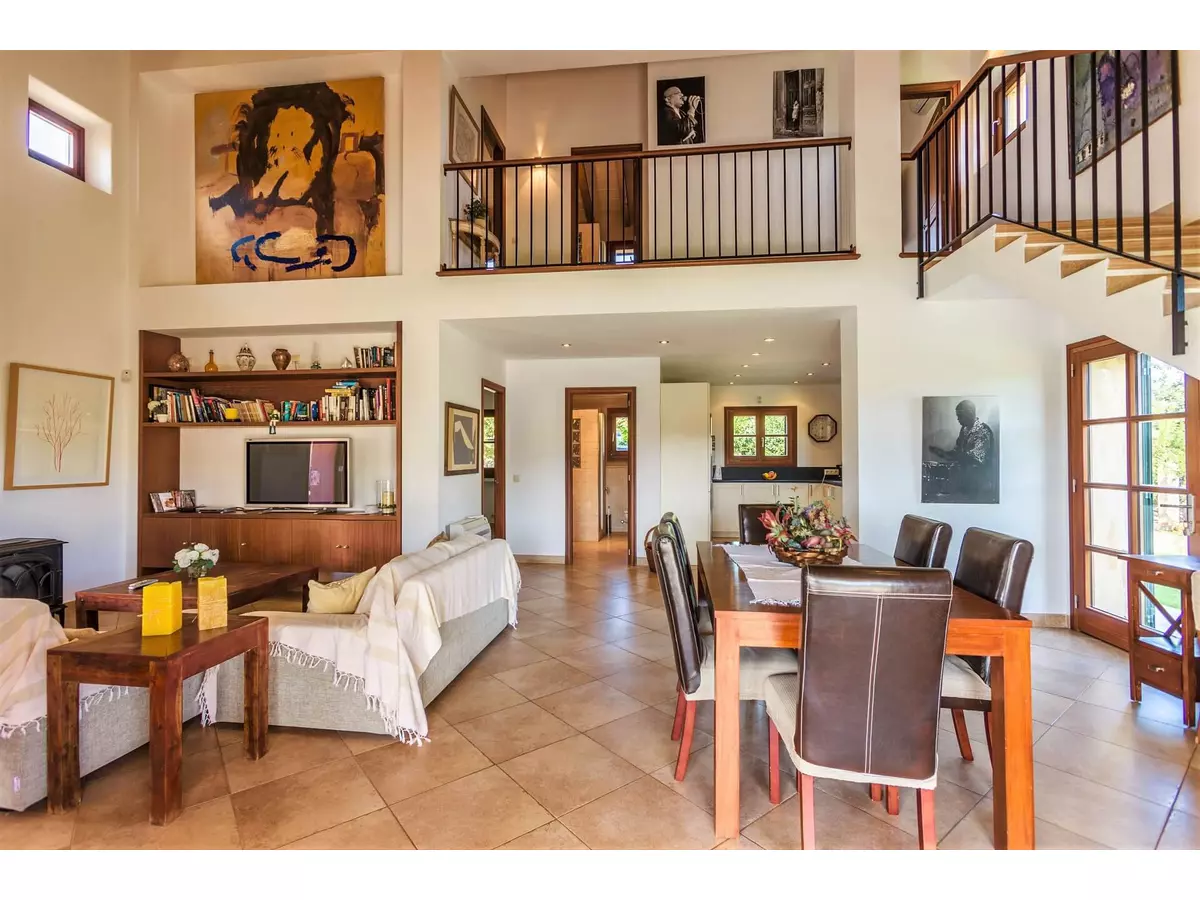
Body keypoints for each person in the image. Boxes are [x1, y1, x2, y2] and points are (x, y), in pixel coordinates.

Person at [928, 399, 997, 501]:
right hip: (966, 480)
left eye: (960, 415)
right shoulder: (964, 430)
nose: (958, 419)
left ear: (970, 413)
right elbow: (957, 451)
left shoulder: (983, 430)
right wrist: (942, 453)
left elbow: (974, 458)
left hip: (979, 484)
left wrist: (948, 456)